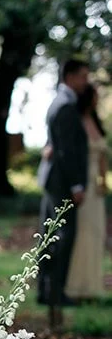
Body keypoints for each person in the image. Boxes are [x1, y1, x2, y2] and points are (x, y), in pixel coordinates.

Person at [37, 57, 90, 329]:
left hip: (52, 180)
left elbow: (53, 144)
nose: (86, 81)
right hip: (62, 183)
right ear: (69, 76)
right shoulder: (65, 106)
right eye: (83, 76)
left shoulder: (57, 103)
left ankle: (50, 292)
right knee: (61, 239)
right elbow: (67, 150)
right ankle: (53, 293)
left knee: (51, 238)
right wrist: (77, 185)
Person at [64, 82, 107, 300]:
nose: (98, 99)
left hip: (96, 187)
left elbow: (102, 155)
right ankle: (76, 286)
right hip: (82, 183)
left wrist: (103, 180)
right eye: (95, 95)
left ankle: (92, 285)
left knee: (97, 233)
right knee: (83, 233)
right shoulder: (76, 121)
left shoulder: (96, 122)